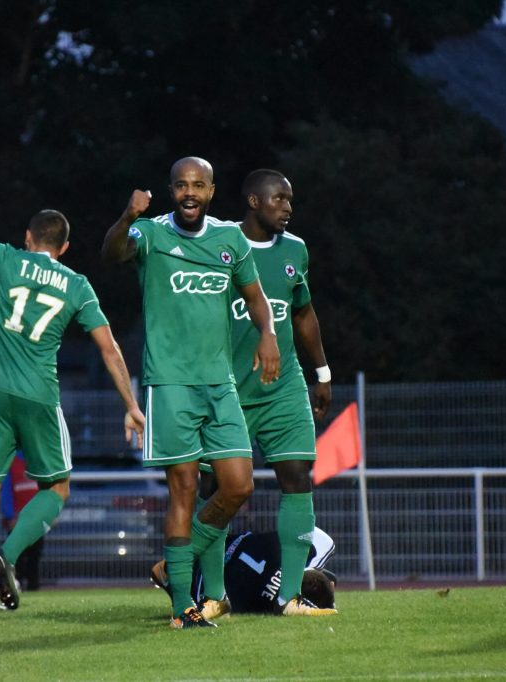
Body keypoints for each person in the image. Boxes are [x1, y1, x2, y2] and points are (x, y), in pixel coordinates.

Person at [0, 208, 145, 612]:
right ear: (64, 248)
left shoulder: (5, 257)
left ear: (28, 237)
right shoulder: (77, 286)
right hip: (38, 397)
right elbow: (108, 348)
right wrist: (131, 405)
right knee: (58, 488)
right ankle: (8, 556)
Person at [101, 156, 280, 629]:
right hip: (170, 384)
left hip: (219, 384)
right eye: (181, 185)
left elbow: (256, 297)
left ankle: (174, 564)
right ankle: (183, 603)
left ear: (211, 191)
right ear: (171, 189)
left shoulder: (230, 239)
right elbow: (112, 253)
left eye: (198, 185)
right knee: (182, 490)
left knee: (239, 484)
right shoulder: (152, 233)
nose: (189, 193)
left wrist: (269, 334)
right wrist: (127, 216)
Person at [199, 169, 336, 617]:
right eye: (280, 199)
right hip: (228, 390)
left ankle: (290, 596)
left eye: (291, 200)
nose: (288, 207)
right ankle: (213, 593)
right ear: (253, 201)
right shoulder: (218, 245)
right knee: (217, 489)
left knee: (298, 478)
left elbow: (303, 313)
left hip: (284, 387)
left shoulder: (295, 250)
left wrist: (323, 372)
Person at [150, 527, 338, 615]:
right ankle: (169, 572)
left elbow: (320, 536)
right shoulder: (258, 606)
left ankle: (171, 569)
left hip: (225, 541)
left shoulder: (301, 553)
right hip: (206, 577)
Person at [0, 451, 44, 591]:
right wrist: (10, 515)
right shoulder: (11, 463)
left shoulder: (39, 461)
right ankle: (15, 586)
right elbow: (6, 491)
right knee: (16, 556)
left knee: (35, 556)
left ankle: (33, 587)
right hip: (17, 521)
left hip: (36, 520)